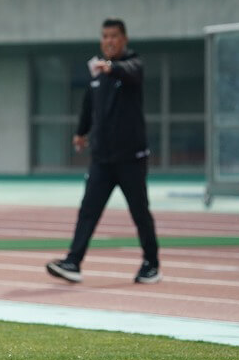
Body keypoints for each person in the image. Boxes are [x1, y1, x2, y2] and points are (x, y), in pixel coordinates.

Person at [46, 18, 161, 284]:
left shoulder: (133, 65)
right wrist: (81, 132)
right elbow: (89, 106)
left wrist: (111, 68)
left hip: (131, 158)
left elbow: (130, 71)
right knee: (88, 211)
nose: (109, 41)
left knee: (140, 212)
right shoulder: (97, 74)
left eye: (114, 36)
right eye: (105, 36)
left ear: (124, 39)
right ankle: (73, 262)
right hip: (102, 159)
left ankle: (152, 264)